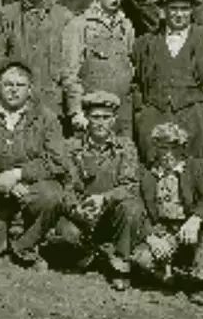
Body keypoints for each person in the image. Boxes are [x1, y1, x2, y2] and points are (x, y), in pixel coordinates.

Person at [0, 62, 70, 269]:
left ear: (30, 89)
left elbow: (57, 161)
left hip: (31, 190)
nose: (14, 89)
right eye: (8, 84)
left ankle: (24, 244)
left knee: (52, 196)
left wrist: (18, 174)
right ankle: (11, 227)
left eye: (20, 85)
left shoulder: (47, 119)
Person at [131, 0, 203, 166]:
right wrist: (142, 114)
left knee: (193, 174)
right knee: (155, 172)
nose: (179, 14)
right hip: (155, 117)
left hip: (195, 120)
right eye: (174, 8)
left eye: (184, 8)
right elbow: (136, 83)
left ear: (191, 10)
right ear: (164, 9)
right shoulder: (146, 43)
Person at [53, 91, 143, 289]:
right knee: (66, 233)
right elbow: (66, 185)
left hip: (112, 214)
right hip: (83, 215)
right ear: (86, 118)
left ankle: (120, 265)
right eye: (95, 117)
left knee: (132, 208)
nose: (101, 122)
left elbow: (131, 186)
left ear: (114, 119)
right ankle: (90, 252)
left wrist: (104, 198)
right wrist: (77, 209)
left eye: (106, 117)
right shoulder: (72, 148)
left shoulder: (126, 147)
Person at [131, 122, 203, 306]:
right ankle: (166, 275)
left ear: (183, 148)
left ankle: (199, 283)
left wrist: (195, 219)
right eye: (163, 148)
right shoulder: (146, 174)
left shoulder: (197, 168)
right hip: (162, 229)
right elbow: (139, 208)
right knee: (141, 259)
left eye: (174, 148)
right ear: (155, 148)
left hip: (188, 227)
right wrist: (151, 237)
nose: (168, 154)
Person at [60, 0, 136, 136]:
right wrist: (76, 111)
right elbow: (70, 73)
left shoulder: (126, 26)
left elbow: (131, 66)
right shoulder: (79, 25)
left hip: (121, 112)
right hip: (93, 114)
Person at [0, 0, 74, 118]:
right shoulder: (8, 15)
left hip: (52, 103)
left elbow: (70, 66)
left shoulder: (65, 18)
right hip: (15, 100)